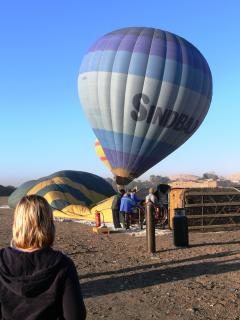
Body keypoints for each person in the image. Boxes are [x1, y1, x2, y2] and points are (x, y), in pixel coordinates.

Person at [0, 195, 86, 320]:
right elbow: (75, 316)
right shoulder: (63, 264)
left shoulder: (1, 260)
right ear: (48, 224)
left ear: (17, 222)